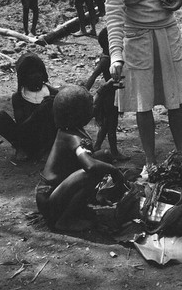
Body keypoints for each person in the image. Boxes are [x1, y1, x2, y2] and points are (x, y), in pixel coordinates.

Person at [105, 0, 182, 177]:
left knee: (174, 98)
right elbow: (114, 16)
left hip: (166, 32)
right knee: (143, 103)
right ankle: (151, 161)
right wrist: (116, 56)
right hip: (137, 38)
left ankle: (181, 153)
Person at [36, 85, 124, 232]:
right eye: (89, 107)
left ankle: (79, 206)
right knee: (90, 172)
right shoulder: (72, 137)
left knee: (104, 157)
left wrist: (104, 88)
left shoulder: (70, 128)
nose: (93, 108)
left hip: (56, 193)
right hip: (49, 199)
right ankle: (65, 220)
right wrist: (114, 171)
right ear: (79, 114)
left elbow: (90, 102)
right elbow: (89, 165)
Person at [0, 52, 58, 161]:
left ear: (44, 73)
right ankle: (21, 148)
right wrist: (39, 112)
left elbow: (60, 124)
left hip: (47, 139)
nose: (37, 75)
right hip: (27, 139)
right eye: (31, 73)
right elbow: (22, 128)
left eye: (39, 71)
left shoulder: (53, 93)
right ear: (23, 77)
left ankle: (48, 150)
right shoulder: (18, 97)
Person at [85, 27, 129, 161]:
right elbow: (93, 75)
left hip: (112, 95)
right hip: (110, 97)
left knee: (105, 124)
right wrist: (85, 91)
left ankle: (97, 146)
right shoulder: (106, 59)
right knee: (112, 126)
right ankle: (114, 152)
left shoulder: (109, 58)